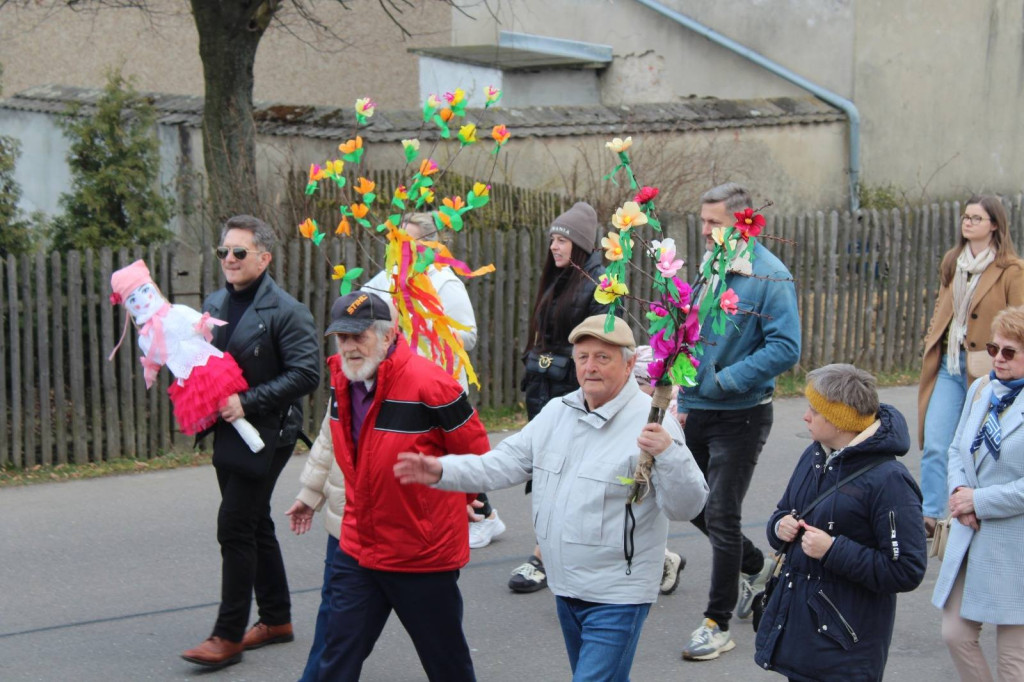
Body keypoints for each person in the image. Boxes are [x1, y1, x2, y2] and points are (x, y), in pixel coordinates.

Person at [394, 315, 708, 682]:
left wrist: (670, 453)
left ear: (628, 364)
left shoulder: (652, 424)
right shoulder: (558, 413)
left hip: (618, 595)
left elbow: (688, 506)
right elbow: (503, 463)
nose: (590, 367)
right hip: (565, 587)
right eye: (582, 357)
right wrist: (442, 471)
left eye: (602, 358)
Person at [288, 290, 491, 681]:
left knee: (446, 663)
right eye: (342, 338)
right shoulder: (343, 381)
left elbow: (475, 452)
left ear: (388, 334)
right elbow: (333, 443)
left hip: (421, 551)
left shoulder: (432, 384)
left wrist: (466, 496)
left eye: (358, 336)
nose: (349, 347)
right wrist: (310, 495)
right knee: (335, 657)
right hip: (358, 547)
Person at [181, 215, 321, 669]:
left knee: (235, 525)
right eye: (224, 252)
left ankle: (227, 636)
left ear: (264, 257)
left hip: (269, 433)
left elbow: (306, 374)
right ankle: (277, 619)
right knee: (255, 521)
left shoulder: (286, 310)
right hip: (228, 430)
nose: (230, 260)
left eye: (239, 252)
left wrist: (249, 400)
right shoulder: (215, 301)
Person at [678, 182, 801, 660]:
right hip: (698, 407)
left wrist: (727, 381)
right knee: (689, 500)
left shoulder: (770, 276)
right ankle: (754, 566)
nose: (706, 232)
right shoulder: (712, 263)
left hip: (742, 413)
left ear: (743, 221)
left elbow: (786, 347)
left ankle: (717, 623)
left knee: (723, 514)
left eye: (715, 223)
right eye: (703, 222)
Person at [754, 364, 928, 681]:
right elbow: (783, 511)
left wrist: (832, 550)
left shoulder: (890, 481)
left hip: (845, 648)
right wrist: (780, 527)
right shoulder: (815, 455)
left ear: (840, 419)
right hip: (802, 638)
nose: (805, 416)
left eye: (814, 411)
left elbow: (906, 569)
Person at [363, 212, 505, 550]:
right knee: (418, 451)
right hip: (398, 379)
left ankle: (486, 517)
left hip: (437, 383)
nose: (400, 247)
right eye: (397, 240)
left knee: (451, 450)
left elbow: (468, 335)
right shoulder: (388, 277)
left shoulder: (444, 282)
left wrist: (429, 325)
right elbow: (367, 308)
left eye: (408, 241)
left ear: (429, 245)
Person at [512, 200, 609, 593]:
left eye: (563, 240)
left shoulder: (598, 284)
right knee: (547, 470)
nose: (555, 246)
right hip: (545, 388)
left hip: (574, 392)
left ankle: (542, 557)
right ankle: (660, 556)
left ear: (581, 245)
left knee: (567, 475)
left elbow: (599, 346)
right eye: (552, 239)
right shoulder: (558, 279)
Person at [918, 195, 1024, 538]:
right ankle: (931, 515)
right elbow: (942, 305)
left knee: (978, 444)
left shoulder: (1011, 269)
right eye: (965, 217)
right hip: (950, 363)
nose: (968, 223)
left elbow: (1020, 320)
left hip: (990, 366)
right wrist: (932, 336)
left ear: (994, 224)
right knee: (937, 441)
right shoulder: (953, 261)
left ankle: (977, 505)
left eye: (976, 218)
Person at [932, 306, 1024, 681]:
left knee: (1013, 661)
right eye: (993, 348)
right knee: (955, 633)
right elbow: (956, 448)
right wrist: (958, 492)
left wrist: (979, 501)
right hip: (972, 533)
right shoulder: (981, 388)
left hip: (1015, 543)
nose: (997, 358)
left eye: (1009, 352)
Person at [633, 345, 686, 595]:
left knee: (642, 518)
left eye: (640, 384)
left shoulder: (664, 410)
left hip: (652, 473)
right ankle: (660, 558)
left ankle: (663, 558)